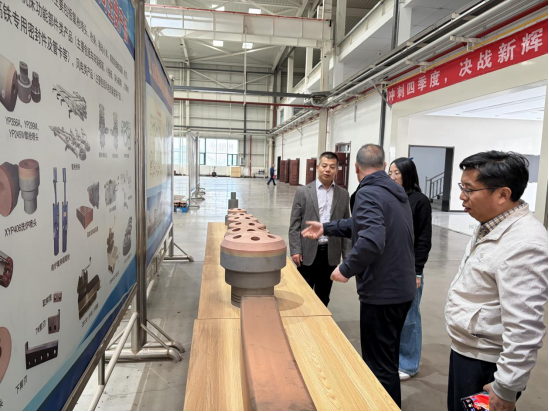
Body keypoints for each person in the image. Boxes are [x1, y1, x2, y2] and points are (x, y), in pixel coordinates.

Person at [302, 144, 416, 407]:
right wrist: (327, 227)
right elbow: (361, 223)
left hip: (382, 293)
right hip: (402, 289)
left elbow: (372, 239)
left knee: (378, 367)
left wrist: (346, 268)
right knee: (388, 360)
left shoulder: (368, 192)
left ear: (355, 168)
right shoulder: (393, 191)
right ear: (384, 166)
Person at [446, 151, 548, 412]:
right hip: (467, 350)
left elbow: (525, 326)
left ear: (503, 194)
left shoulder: (525, 244)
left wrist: (505, 387)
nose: (461, 196)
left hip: (486, 364)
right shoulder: (490, 223)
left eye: (469, 189)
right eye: (461, 187)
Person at [389, 158, 433, 381]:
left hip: (409, 268)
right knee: (392, 316)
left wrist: (417, 271)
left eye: (397, 173)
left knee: (409, 317)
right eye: (390, 173)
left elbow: (424, 240)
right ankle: (395, 359)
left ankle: (409, 364)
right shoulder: (391, 197)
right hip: (390, 266)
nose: (393, 177)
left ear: (407, 174)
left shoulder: (419, 201)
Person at [289, 152, 351, 307]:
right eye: (324, 166)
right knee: (303, 295)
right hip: (307, 252)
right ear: (318, 167)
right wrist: (295, 249)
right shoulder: (303, 192)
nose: (327, 170)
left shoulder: (343, 195)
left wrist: (347, 256)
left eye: (332, 167)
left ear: (337, 169)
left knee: (323, 296)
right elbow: (295, 224)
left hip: (330, 253)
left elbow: (346, 228)